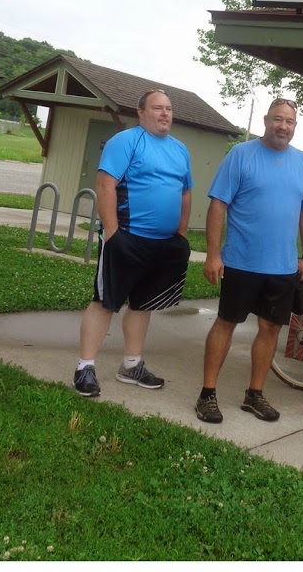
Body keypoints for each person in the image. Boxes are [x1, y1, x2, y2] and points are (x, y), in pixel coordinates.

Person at [197, 98, 303, 424]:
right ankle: (207, 394)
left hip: (282, 267)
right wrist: (213, 254)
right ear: (266, 120)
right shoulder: (241, 155)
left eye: (289, 121)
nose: (283, 126)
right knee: (226, 323)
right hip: (241, 262)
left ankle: (255, 394)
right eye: (278, 119)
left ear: (295, 126)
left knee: (270, 328)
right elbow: (218, 205)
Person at [73, 89, 193, 398]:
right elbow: (105, 183)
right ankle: (85, 367)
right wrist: (112, 232)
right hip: (126, 237)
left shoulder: (180, 150)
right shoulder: (126, 141)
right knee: (105, 301)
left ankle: (131, 365)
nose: (164, 113)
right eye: (157, 108)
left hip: (163, 243)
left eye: (168, 109)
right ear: (141, 113)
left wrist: (180, 232)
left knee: (143, 305)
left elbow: (185, 193)